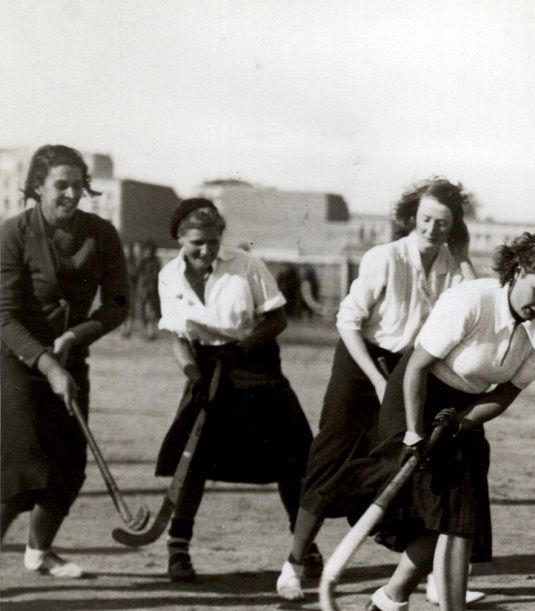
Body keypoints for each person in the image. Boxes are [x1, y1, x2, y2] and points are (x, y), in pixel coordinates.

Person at [322, 231, 535, 611]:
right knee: (453, 518)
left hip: (465, 412)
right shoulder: (470, 301)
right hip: (415, 398)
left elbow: (504, 393)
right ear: (520, 271)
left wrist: (463, 423)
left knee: (455, 517)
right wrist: (413, 432)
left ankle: (390, 602)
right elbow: (416, 368)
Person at [277, 178, 477, 601]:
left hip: (409, 368)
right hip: (359, 361)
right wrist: (374, 377)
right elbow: (347, 322)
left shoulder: (450, 267)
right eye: (425, 219)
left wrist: (462, 258)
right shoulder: (384, 258)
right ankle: (293, 564)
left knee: (416, 461)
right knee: (330, 457)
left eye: (443, 223)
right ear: (412, 217)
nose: (432, 229)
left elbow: (477, 304)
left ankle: (432, 575)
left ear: (454, 226)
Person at [155, 198, 313, 582]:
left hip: (254, 360)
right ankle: (178, 549)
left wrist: (240, 349)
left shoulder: (246, 265)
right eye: (197, 243)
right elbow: (178, 337)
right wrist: (193, 374)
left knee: (290, 459)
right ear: (180, 238)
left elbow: (276, 320)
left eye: (212, 240)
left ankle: (304, 549)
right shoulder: (168, 276)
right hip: (204, 366)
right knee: (192, 459)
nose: (206, 250)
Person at [1, 144, 130, 576]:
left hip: (71, 357)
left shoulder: (101, 234)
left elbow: (116, 305)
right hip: (16, 361)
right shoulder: (13, 233)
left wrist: (76, 336)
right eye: (62, 185)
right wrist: (47, 363)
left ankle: (39, 551)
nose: (72, 194)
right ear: (38, 187)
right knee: (19, 472)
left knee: (69, 469)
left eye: (79, 185)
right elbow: (3, 315)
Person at [122, 240, 162, 340]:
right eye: (146, 250)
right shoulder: (142, 262)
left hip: (150, 289)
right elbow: (134, 274)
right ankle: (128, 330)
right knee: (138, 311)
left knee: (150, 311)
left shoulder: (155, 262)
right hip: (142, 289)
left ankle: (151, 333)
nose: (147, 253)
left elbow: (155, 276)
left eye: (149, 251)